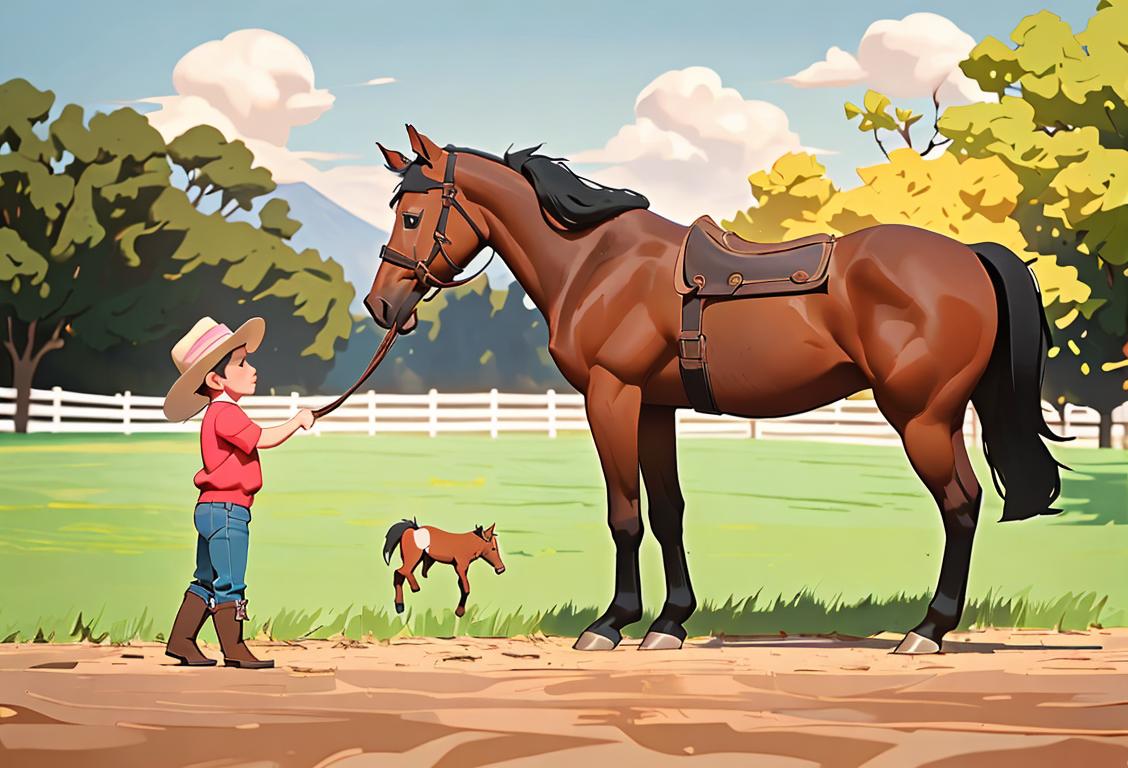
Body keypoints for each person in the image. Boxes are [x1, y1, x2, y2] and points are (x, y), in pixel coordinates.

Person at [161, 316, 315, 669]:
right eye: (241, 363)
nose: (251, 369)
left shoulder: (218, 414)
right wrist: (296, 422)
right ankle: (234, 647)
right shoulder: (226, 414)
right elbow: (263, 438)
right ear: (216, 379)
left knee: (206, 577)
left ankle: (182, 640)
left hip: (211, 507)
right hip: (228, 509)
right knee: (230, 580)